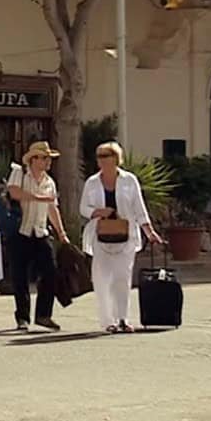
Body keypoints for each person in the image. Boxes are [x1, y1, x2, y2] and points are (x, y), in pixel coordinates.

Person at [79, 141, 163, 334]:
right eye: (99, 156)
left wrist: (149, 231)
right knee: (101, 279)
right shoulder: (92, 182)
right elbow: (83, 208)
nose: (101, 160)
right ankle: (108, 321)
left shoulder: (129, 180)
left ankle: (123, 318)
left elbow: (139, 208)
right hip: (100, 235)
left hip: (125, 235)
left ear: (116, 159)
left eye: (106, 156)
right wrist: (99, 211)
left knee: (122, 277)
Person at [6, 141, 70, 331]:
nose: (48, 161)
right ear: (34, 159)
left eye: (49, 158)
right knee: (20, 276)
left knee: (50, 272)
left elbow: (52, 208)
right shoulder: (20, 174)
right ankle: (22, 317)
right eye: (44, 158)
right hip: (21, 231)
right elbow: (14, 192)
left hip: (41, 231)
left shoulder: (49, 182)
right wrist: (38, 198)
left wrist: (61, 233)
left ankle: (43, 315)